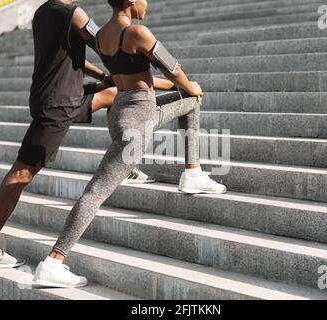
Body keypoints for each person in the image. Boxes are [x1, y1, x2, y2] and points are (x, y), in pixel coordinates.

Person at [32, 0, 227, 288]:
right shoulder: (138, 33)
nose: (147, 4)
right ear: (132, 1)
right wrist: (190, 86)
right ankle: (54, 261)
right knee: (95, 192)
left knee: (187, 101)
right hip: (139, 122)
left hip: (122, 113)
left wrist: (183, 88)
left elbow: (130, 77)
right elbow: (172, 68)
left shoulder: (102, 35)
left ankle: (193, 172)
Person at [0, 0, 154, 269]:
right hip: (59, 103)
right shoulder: (74, 14)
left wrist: (104, 76)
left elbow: (77, 56)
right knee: (22, 172)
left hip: (61, 95)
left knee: (113, 95)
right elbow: (105, 44)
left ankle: (127, 164)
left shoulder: (44, 11)